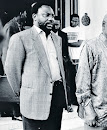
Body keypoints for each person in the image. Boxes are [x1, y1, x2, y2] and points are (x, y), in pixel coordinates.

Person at [5, 2, 71, 130]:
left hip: (56, 96)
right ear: (35, 16)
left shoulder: (57, 39)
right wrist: (25, 91)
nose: (51, 19)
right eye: (46, 15)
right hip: (33, 100)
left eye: (52, 15)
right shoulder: (21, 38)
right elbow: (12, 69)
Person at [62, 14, 84, 105]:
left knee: (77, 81)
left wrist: (66, 43)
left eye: (77, 20)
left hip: (77, 58)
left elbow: (78, 44)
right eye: (74, 20)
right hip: (67, 59)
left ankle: (76, 100)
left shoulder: (81, 31)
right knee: (68, 80)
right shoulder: (65, 30)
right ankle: (68, 101)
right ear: (70, 21)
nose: (75, 22)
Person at [52, 16, 74, 107]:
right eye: (55, 24)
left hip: (63, 61)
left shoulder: (63, 34)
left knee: (67, 81)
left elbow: (66, 49)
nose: (56, 26)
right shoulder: (49, 34)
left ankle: (67, 102)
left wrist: (68, 59)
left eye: (58, 24)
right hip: (53, 61)